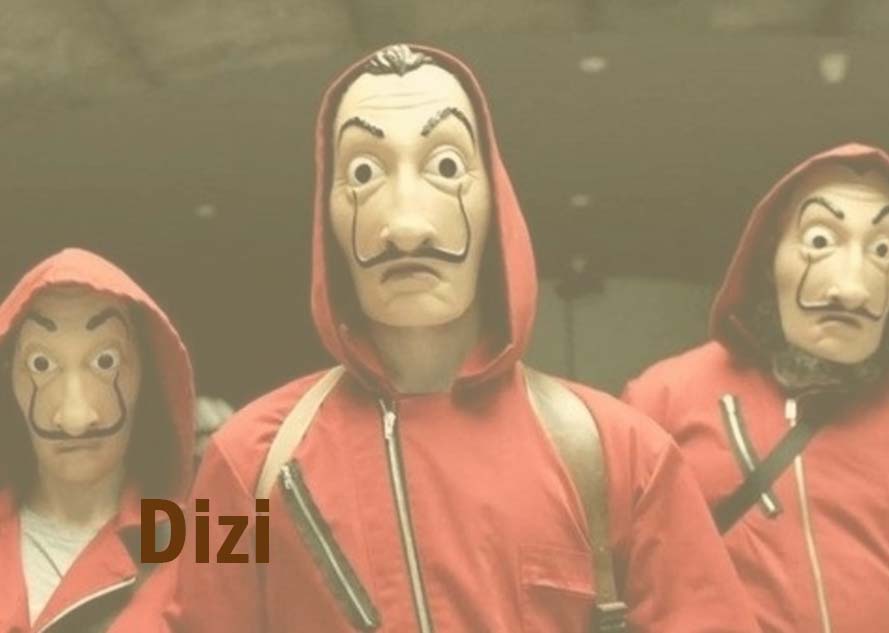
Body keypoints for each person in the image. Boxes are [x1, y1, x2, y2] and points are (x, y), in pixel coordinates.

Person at [173, 43, 758, 632]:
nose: (406, 227)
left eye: (447, 166)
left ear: (495, 201)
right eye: (364, 173)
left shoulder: (628, 456)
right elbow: (194, 617)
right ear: (327, 213)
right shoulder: (242, 459)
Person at [623, 143, 889, 632]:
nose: (851, 289)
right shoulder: (665, 397)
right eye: (819, 240)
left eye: (882, 250)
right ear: (769, 258)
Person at [0, 248, 194, 633]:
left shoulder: (211, 539)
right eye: (41, 364)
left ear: (148, 372)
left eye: (106, 361)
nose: (75, 419)